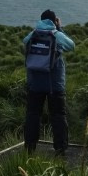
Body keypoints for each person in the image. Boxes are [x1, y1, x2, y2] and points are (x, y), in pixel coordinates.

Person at [23, 9, 75, 156]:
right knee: (58, 116)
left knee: (33, 115)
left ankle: (30, 146)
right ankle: (60, 148)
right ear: (54, 21)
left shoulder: (32, 34)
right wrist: (59, 28)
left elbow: (24, 43)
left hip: (35, 85)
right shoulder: (57, 35)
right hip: (55, 85)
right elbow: (72, 46)